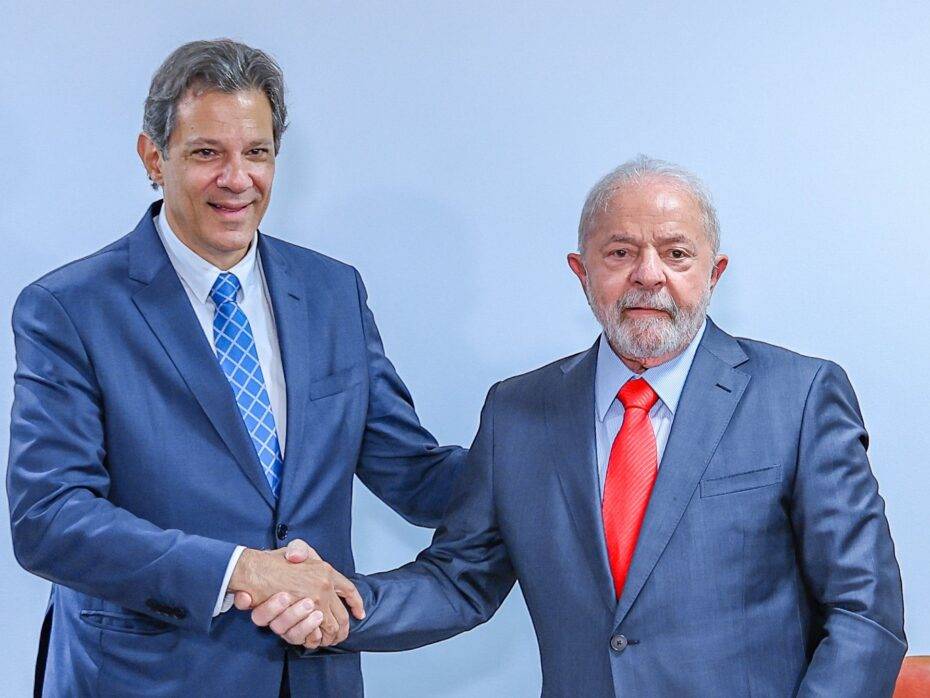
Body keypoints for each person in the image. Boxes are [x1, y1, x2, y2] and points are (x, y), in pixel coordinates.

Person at [253, 156, 907, 696]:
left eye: (676, 254)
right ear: (582, 272)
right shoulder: (518, 413)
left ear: (714, 274)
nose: (648, 274)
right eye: (621, 252)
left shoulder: (798, 396)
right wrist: (337, 604)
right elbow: (459, 579)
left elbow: (864, 612)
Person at [6, 39, 465, 697]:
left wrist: (555, 457)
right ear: (152, 158)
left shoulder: (333, 292)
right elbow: (48, 519)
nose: (237, 178)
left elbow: (414, 474)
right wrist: (243, 570)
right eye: (206, 153)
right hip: (143, 681)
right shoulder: (69, 309)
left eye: (256, 152)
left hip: (312, 675)